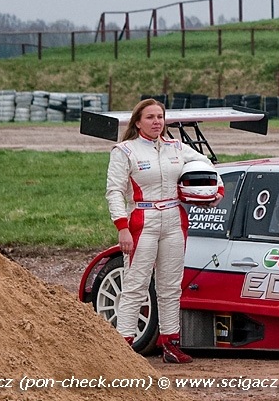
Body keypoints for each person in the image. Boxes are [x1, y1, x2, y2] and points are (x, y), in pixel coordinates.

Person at [105, 98, 193, 363]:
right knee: (136, 284)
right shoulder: (124, 151)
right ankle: (122, 347)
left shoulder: (176, 147)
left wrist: (215, 191)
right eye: (150, 117)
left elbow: (206, 165)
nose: (156, 122)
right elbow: (114, 191)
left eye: (160, 117)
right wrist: (122, 227)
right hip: (142, 220)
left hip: (174, 219)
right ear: (137, 122)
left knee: (171, 285)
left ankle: (170, 344)